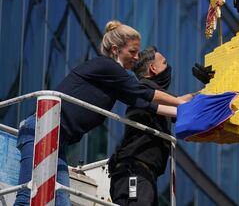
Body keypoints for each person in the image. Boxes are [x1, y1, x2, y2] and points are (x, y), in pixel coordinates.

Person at [14, 21, 185, 206]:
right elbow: (146, 94)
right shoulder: (107, 67)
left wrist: (185, 107)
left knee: (61, 201)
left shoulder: (115, 82)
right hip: (40, 132)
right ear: (115, 50)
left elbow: (150, 105)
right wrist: (182, 103)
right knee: (28, 198)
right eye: (132, 52)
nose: (137, 57)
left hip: (58, 142)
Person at [108, 46, 193, 206]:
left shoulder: (151, 93)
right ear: (153, 68)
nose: (168, 68)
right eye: (164, 63)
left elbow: (180, 102)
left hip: (143, 174)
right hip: (134, 171)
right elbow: (180, 104)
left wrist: (204, 93)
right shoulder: (144, 88)